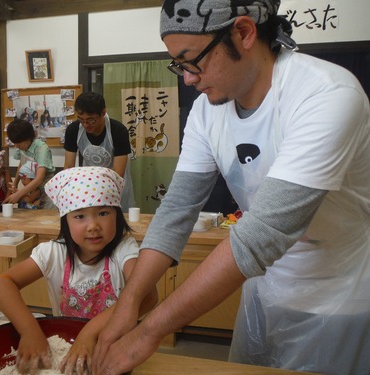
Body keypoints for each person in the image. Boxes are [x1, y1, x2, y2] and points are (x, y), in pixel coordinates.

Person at [92, 1, 370, 375]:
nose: (188, 78)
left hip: (338, 296)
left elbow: (263, 232)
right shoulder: (209, 109)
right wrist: (129, 301)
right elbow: (177, 209)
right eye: (179, 65)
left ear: (243, 32)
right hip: (261, 284)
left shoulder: (325, 94)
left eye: (193, 61)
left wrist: (148, 332)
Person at [0, 167, 158, 375]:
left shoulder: (124, 249)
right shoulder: (54, 252)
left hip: (113, 351)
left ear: (118, 216)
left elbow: (148, 295)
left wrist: (89, 333)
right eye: (80, 216)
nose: (93, 225)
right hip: (68, 347)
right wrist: (29, 330)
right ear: (65, 222)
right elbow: (2, 284)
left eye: (103, 213)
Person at [64, 92, 135, 212]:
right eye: (81, 120)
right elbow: (68, 167)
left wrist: (102, 195)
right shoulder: (73, 130)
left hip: (115, 186)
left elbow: (118, 174)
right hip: (88, 185)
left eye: (91, 120)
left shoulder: (118, 131)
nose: (86, 125)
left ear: (103, 113)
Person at [3, 118, 56, 209]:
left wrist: (19, 194)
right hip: (30, 187)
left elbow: (39, 179)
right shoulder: (21, 147)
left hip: (45, 188)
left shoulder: (41, 148)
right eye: (15, 144)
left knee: (46, 216)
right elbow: (21, 165)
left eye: (19, 144)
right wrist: (15, 184)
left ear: (29, 138)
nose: (16, 146)